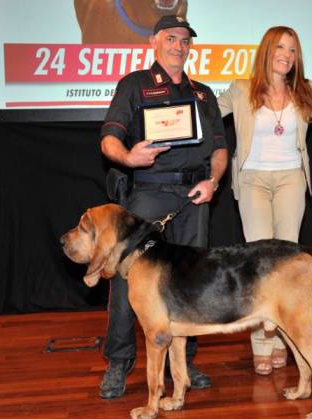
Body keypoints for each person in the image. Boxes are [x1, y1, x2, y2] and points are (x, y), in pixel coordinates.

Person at [98, 15, 228, 398]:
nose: (178, 46)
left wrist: (214, 181)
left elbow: (220, 148)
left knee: (191, 281)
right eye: (171, 38)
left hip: (194, 196)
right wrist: (128, 157)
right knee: (128, 282)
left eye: (185, 40)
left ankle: (183, 362)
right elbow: (108, 138)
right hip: (149, 193)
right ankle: (119, 362)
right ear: (154, 42)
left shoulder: (203, 94)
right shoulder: (134, 85)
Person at [217, 26, 312, 376]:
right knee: (259, 264)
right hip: (251, 181)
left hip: (291, 181)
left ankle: (283, 341)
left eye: (293, 50)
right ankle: (261, 344)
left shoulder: (306, 92)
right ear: (267, 50)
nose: (286, 54)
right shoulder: (240, 89)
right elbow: (203, 113)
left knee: (285, 266)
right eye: (280, 47)